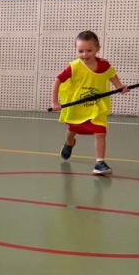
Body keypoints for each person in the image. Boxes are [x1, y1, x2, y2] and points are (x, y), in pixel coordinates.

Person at [51, 30, 129, 176]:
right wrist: (55, 101)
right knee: (72, 130)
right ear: (76, 50)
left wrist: (120, 87)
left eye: (89, 50)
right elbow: (57, 81)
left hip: (96, 107)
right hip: (77, 107)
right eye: (80, 51)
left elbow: (112, 76)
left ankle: (100, 163)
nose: (85, 54)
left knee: (100, 132)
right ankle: (69, 143)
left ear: (97, 49)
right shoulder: (74, 67)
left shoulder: (104, 65)